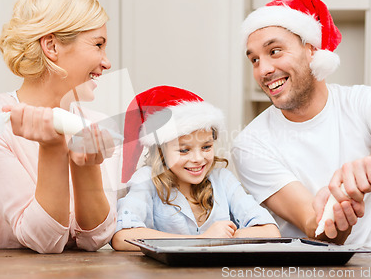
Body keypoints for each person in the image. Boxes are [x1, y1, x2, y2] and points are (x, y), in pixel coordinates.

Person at [232, 0, 371, 246]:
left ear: (311, 50)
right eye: (254, 60)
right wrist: (334, 219)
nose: (263, 70)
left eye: (275, 51)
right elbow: (312, 224)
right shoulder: (249, 144)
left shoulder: (361, 101)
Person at [0, 0, 118, 253]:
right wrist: (52, 148)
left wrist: (85, 166)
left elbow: (95, 239)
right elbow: (43, 240)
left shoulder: (94, 125)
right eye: (98, 45)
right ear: (51, 46)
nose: (107, 62)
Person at [111, 86, 280, 251]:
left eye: (206, 147)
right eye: (184, 150)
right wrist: (202, 240)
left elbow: (270, 231)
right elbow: (122, 237)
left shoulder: (222, 179)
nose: (198, 159)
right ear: (160, 151)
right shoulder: (146, 180)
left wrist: (223, 238)